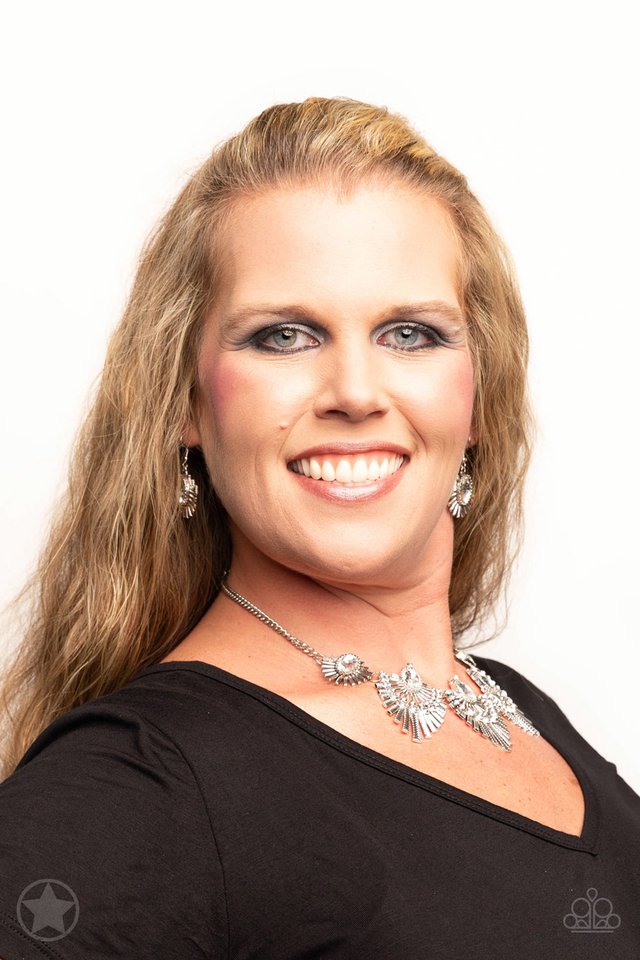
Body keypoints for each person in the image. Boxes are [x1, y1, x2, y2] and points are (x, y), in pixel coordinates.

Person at [0, 96, 638, 959]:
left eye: (410, 333)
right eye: (284, 336)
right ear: (185, 401)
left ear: (479, 395)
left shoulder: (524, 711)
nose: (356, 392)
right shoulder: (144, 780)